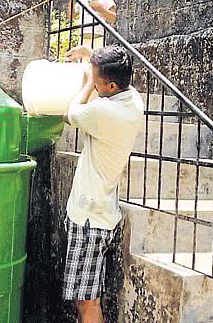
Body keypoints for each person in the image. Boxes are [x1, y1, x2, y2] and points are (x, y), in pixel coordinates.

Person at [61, 45, 143, 323]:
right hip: (100, 213)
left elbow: (69, 112)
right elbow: (114, 63)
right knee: (85, 295)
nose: (93, 84)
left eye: (97, 81)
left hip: (89, 220)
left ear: (110, 85)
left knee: (88, 301)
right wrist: (91, 55)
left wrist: (85, 85)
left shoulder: (103, 113)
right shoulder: (132, 99)